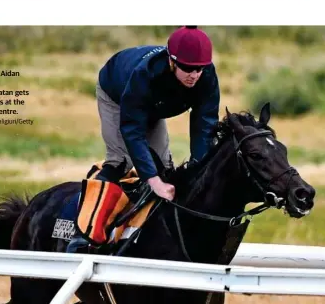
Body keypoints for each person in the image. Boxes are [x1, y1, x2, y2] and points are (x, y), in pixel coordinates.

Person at [71, 26, 221, 250]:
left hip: (153, 106)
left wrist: (199, 170)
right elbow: (132, 129)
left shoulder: (206, 76)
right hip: (117, 93)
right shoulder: (145, 74)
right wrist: (153, 180)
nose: (194, 75)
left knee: (166, 168)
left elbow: (204, 125)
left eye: (199, 68)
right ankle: (84, 233)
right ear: (171, 61)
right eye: (188, 68)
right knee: (121, 161)